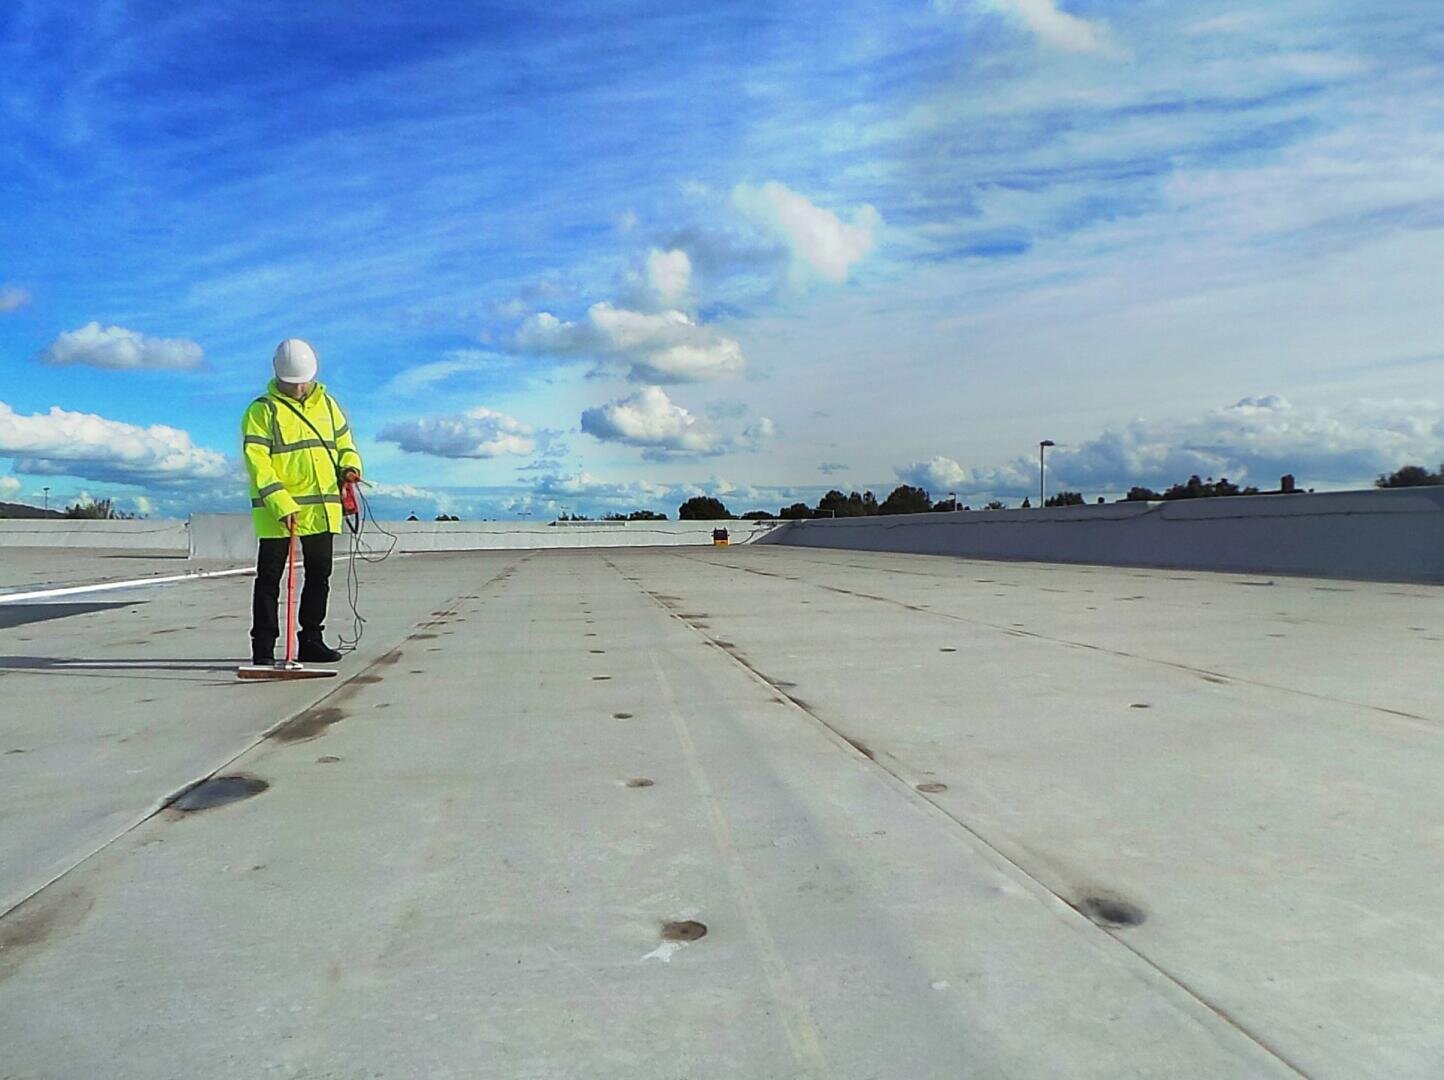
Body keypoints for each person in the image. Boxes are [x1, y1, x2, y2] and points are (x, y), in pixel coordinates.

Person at [242, 339, 363, 666]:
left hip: (323, 509)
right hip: (277, 513)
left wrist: (350, 467)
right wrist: (281, 504)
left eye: (303, 382)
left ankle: (311, 639)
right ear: (278, 377)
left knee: (319, 574)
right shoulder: (262, 410)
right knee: (269, 580)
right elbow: (258, 463)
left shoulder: (328, 405)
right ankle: (263, 649)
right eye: (291, 384)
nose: (298, 389)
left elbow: (345, 444)